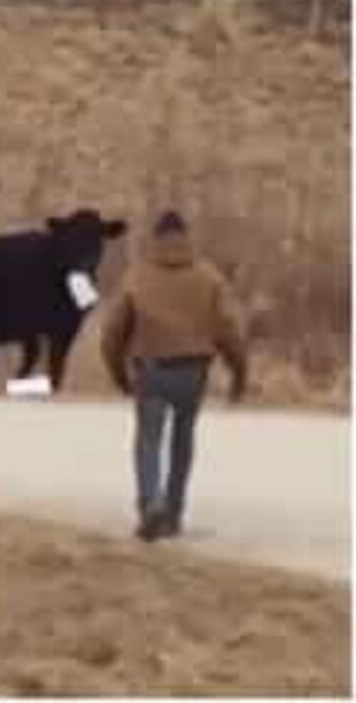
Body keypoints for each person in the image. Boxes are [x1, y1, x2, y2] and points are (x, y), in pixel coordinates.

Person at [100, 210, 248, 542]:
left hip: (150, 371)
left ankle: (150, 504)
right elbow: (229, 329)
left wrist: (119, 374)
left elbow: (112, 332)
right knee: (182, 441)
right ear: (186, 238)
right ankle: (173, 512)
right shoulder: (208, 277)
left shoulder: (137, 276)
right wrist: (239, 373)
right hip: (192, 371)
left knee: (148, 440)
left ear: (155, 239)